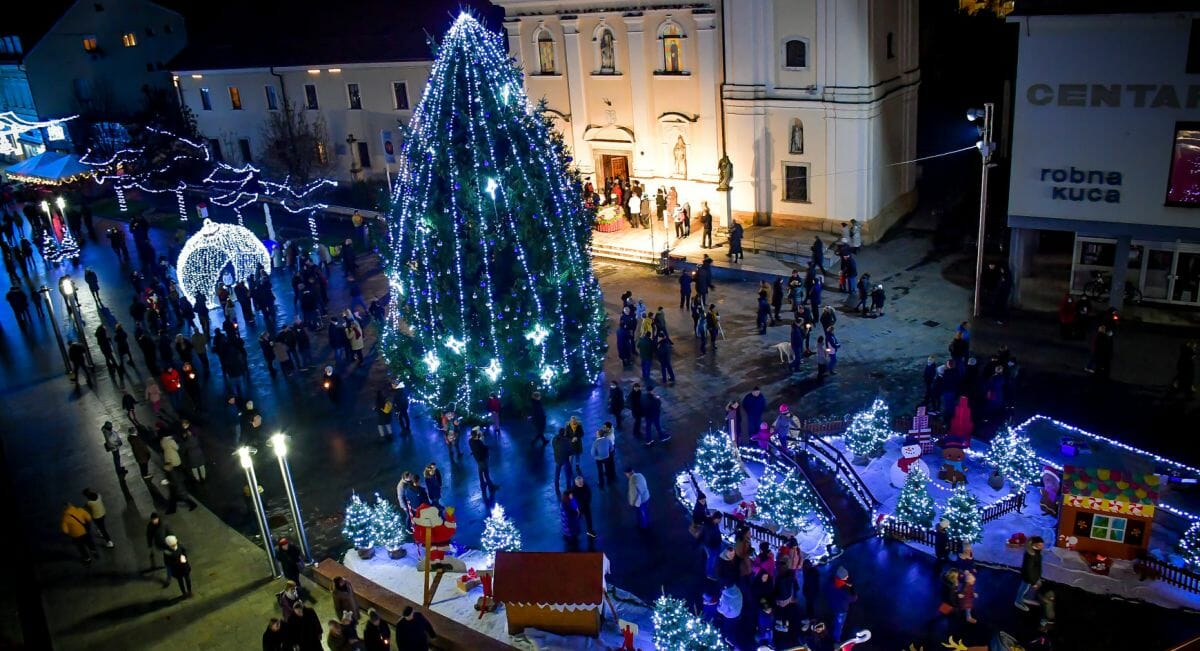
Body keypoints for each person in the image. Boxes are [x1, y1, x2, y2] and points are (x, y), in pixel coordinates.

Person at [1014, 536, 1044, 611]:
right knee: (1024, 588)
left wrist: (1038, 577)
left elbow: (1038, 566)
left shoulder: (1037, 552)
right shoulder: (1030, 555)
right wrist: (1033, 582)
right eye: (1040, 545)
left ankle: (1026, 598)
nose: (1042, 547)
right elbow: (1028, 570)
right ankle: (1018, 601)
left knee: (1031, 588)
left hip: (1034, 576)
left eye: (1042, 544)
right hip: (1028, 577)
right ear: (1034, 545)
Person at [829, 565, 857, 642]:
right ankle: (836, 641)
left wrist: (845, 584)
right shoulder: (843, 588)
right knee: (839, 626)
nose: (847, 577)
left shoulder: (834, 582)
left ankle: (832, 633)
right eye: (846, 576)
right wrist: (852, 591)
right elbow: (852, 599)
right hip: (841, 609)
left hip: (834, 606)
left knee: (835, 621)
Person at [468, 427, 498, 493]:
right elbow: (484, 448)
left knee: (480, 473)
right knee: (486, 474)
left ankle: (482, 484)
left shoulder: (470, 441)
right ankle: (491, 487)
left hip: (477, 459)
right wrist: (488, 449)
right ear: (476, 436)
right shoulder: (478, 442)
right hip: (483, 459)